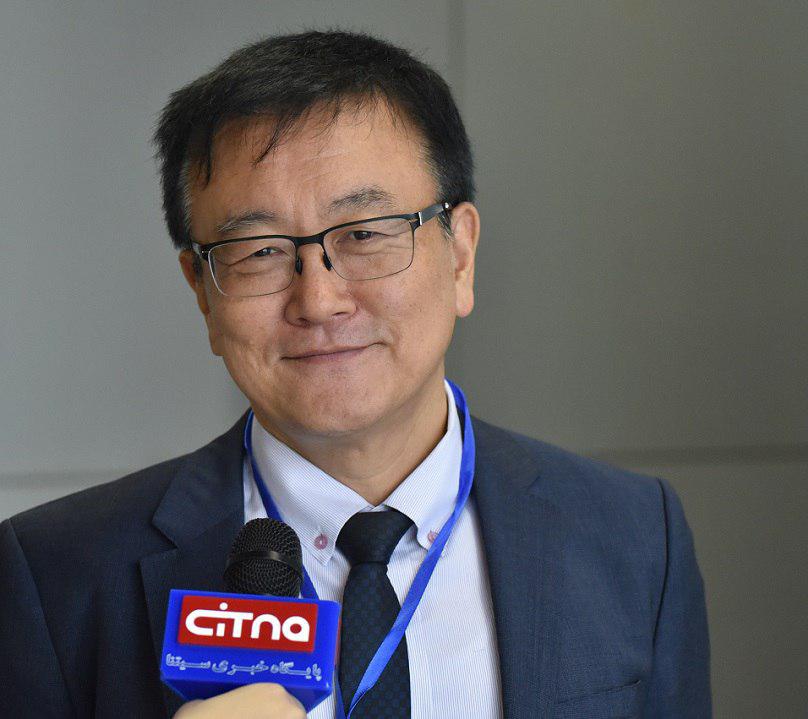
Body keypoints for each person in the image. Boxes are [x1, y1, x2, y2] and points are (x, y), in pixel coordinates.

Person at [0, 30, 710, 719]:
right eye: (260, 251)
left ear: (461, 256)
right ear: (203, 291)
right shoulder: (58, 576)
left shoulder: (633, 537)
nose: (318, 300)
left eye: (365, 234)